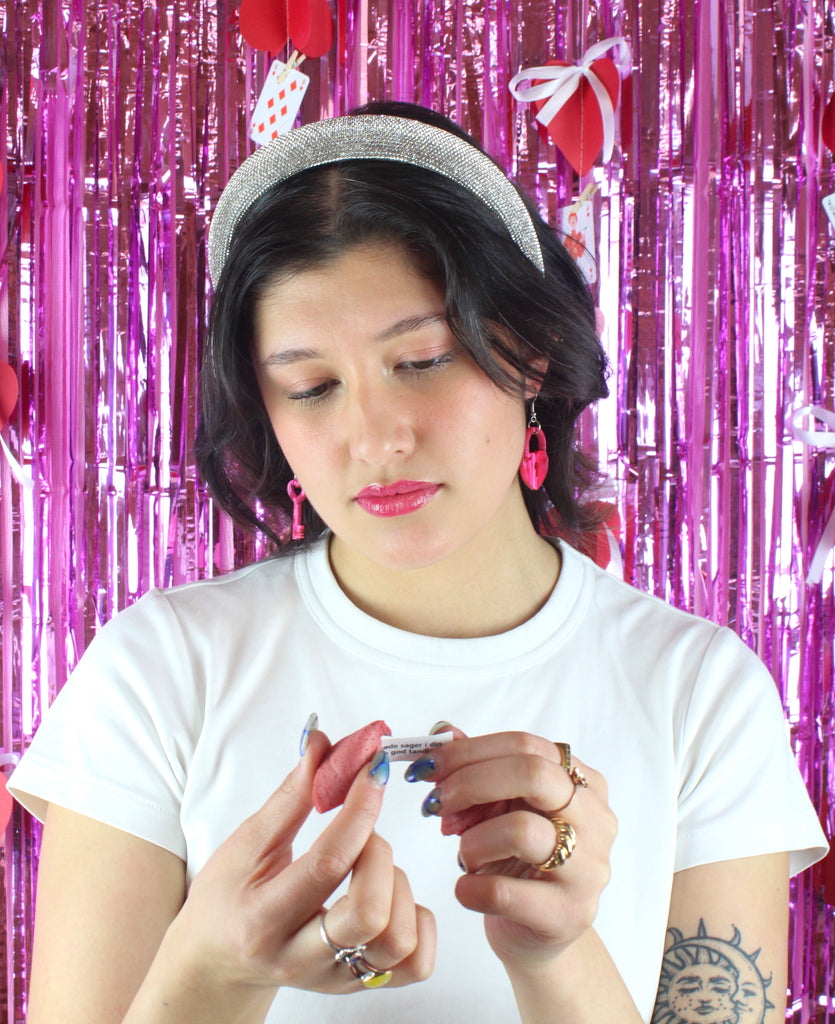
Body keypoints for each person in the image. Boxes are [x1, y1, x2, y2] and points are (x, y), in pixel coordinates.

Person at [8, 102, 827, 1024]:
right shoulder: (158, 668)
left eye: (423, 360)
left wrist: (555, 952)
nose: (375, 439)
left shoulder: (698, 691)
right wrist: (215, 970)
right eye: (312, 387)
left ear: (530, 350)